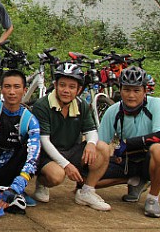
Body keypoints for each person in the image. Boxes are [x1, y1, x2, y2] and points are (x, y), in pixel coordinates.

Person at [31, 63, 111, 211]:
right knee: (56, 176)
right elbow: (44, 140)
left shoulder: (81, 105)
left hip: (71, 149)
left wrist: (91, 143)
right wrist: (66, 165)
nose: (66, 90)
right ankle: (42, 183)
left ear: (79, 89)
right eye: (62, 85)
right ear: (55, 85)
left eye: (72, 87)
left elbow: (91, 130)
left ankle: (87, 191)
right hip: (46, 154)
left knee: (102, 148)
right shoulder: (42, 105)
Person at [95, 66, 160, 218]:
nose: (131, 95)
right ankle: (134, 180)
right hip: (127, 161)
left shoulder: (156, 104)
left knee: (159, 150)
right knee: (87, 180)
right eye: (127, 90)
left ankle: (153, 198)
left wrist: (125, 144)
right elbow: (101, 144)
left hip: (150, 160)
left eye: (136, 91)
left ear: (145, 91)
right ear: (120, 90)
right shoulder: (113, 111)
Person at [0, 69, 40, 214]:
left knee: (32, 150)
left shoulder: (30, 121)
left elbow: (33, 159)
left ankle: (17, 191)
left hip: (11, 175)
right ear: (1, 89)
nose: (12, 92)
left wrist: (16, 188)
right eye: (7, 87)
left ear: (24, 90)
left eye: (16, 87)